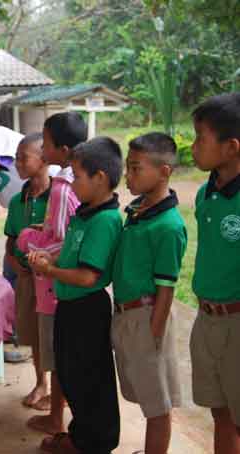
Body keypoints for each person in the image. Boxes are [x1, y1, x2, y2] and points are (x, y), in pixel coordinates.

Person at [28, 137, 123, 454]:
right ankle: (80, 435)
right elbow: (73, 255)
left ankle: (94, 443)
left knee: (90, 378)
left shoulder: (105, 220)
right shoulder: (85, 213)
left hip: (87, 309)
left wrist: (50, 270)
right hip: (70, 306)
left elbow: (87, 276)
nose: (72, 183)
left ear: (100, 178)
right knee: (71, 375)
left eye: (77, 176)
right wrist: (52, 258)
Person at [112, 132, 186, 454]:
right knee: (143, 393)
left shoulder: (169, 226)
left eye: (136, 168)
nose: (128, 176)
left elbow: (166, 288)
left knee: (157, 404)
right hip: (126, 313)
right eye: (127, 167)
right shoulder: (137, 211)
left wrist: (154, 335)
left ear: (164, 171)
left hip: (147, 316)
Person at [16, 112, 85, 427]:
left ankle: (56, 418)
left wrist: (28, 242)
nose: (43, 150)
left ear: (64, 150)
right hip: (64, 285)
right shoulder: (77, 182)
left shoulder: (62, 186)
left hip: (53, 287)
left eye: (45, 143)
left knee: (57, 358)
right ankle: (57, 415)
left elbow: (62, 242)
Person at [189, 93, 240, 453]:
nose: (193, 147)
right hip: (206, 318)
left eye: (200, 138)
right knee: (220, 412)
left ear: (231, 147)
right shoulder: (206, 192)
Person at [3, 133, 54, 412]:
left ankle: (59, 392)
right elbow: (11, 240)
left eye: (23, 158)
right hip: (26, 279)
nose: (17, 163)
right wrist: (15, 262)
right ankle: (41, 383)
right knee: (34, 333)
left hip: (54, 281)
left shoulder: (59, 195)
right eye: (16, 158)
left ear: (44, 159)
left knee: (54, 335)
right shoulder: (17, 201)